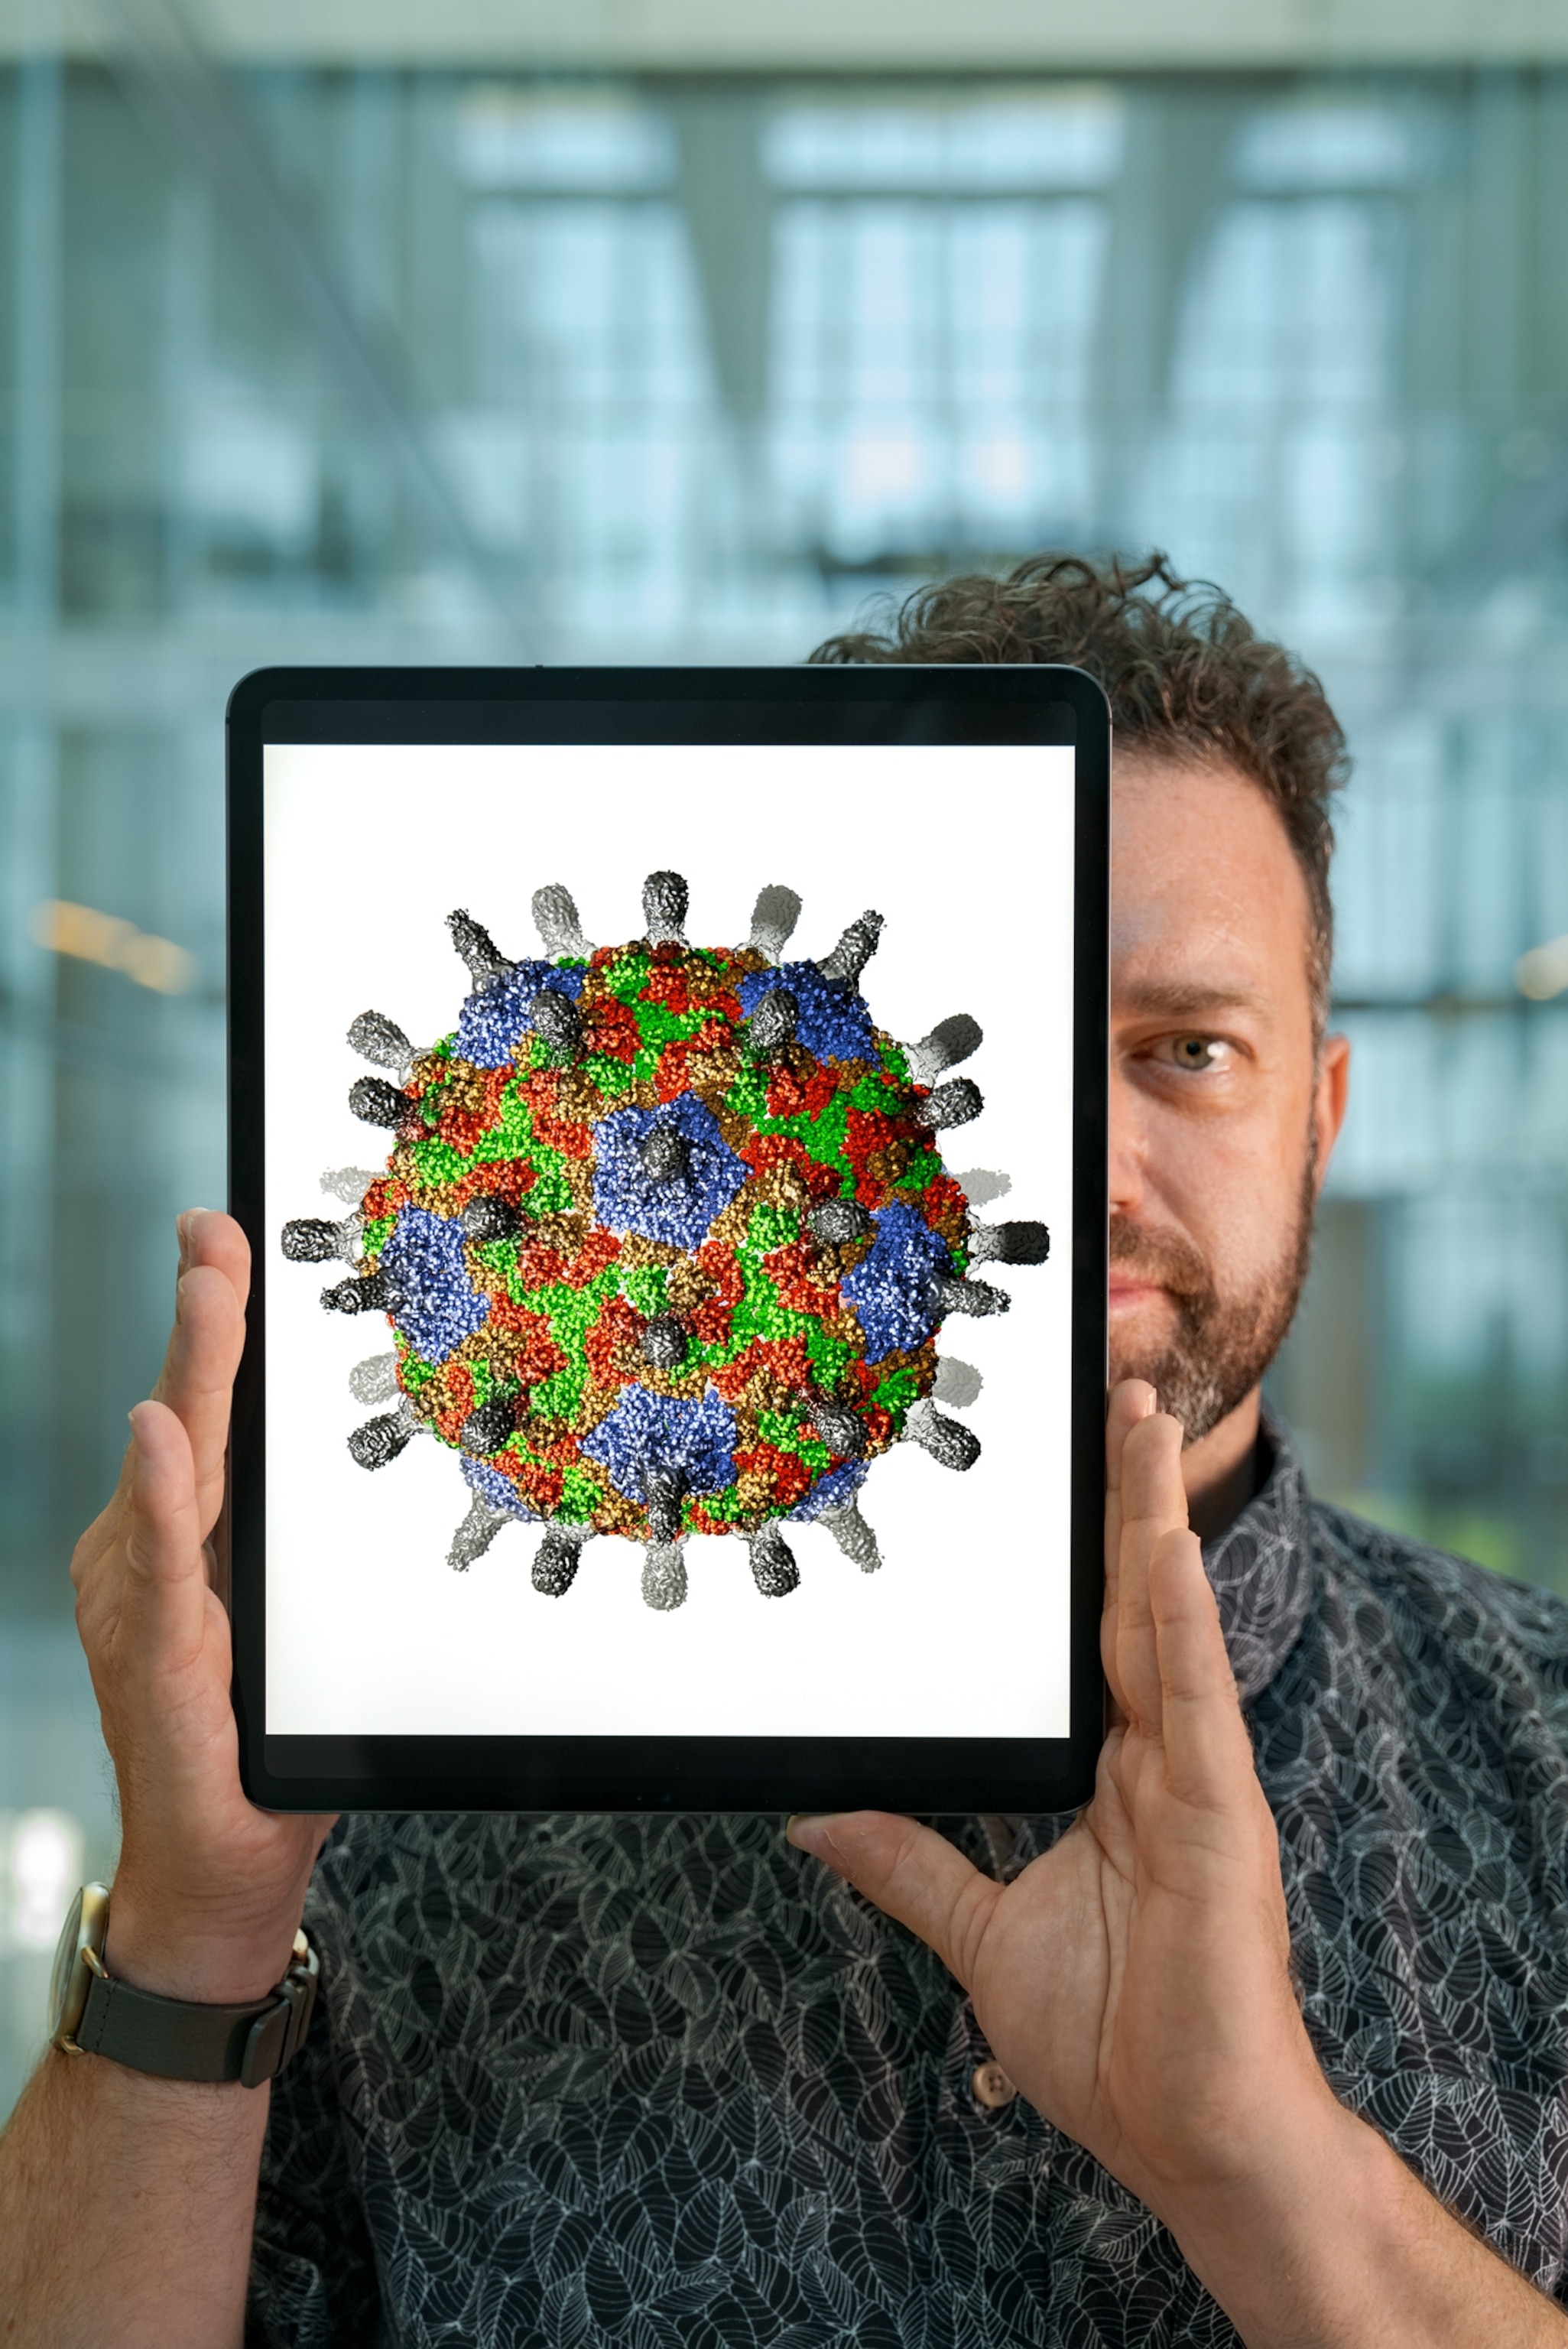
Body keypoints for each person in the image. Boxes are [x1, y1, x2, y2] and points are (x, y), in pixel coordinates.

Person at [4, 554, 1568, 2348]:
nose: (1080, 1179)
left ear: (1323, 1112)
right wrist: (192, 1932)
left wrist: (1263, 2168)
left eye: (1185, 1051)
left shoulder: (1545, 1762)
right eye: (1018, 1056)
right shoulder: (403, 1796)